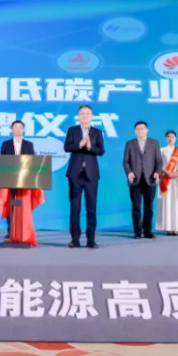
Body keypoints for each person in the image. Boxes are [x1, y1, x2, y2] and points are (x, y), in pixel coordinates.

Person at [63, 104, 105, 249]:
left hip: (91, 175)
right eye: (82, 113)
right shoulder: (72, 130)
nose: (85, 116)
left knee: (91, 208)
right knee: (75, 208)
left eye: (87, 113)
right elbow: (67, 147)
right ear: (78, 116)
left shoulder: (97, 132)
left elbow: (101, 151)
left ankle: (91, 239)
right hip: (75, 174)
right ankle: (75, 239)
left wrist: (89, 147)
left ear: (92, 116)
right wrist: (79, 144)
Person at [123, 121, 162, 239]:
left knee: (149, 206)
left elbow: (159, 161)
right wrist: (129, 172)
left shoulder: (154, 143)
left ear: (147, 130)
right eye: (138, 129)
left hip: (150, 179)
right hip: (135, 179)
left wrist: (157, 172)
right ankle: (137, 231)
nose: (140, 131)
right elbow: (125, 162)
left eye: (142, 128)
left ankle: (147, 230)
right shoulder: (130, 143)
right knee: (136, 206)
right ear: (135, 131)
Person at [0, 120, 35, 239]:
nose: (18, 129)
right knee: (11, 205)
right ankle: (11, 230)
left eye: (20, 127)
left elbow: (32, 161)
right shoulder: (6, 144)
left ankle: (23, 230)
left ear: (23, 130)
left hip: (25, 179)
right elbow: (1, 161)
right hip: (9, 179)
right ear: (12, 130)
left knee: (23, 205)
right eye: (16, 127)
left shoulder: (29, 144)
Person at [156, 130, 178, 236]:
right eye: (168, 137)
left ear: (176, 138)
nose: (170, 139)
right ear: (166, 138)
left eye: (173, 137)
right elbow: (159, 165)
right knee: (166, 201)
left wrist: (177, 172)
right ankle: (168, 227)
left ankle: (176, 227)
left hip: (176, 178)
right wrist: (167, 172)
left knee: (176, 201)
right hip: (165, 178)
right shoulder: (161, 150)